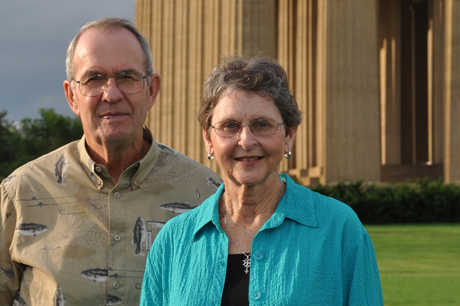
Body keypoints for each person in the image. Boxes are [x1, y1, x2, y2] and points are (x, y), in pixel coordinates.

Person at [0, 17, 221, 306]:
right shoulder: (21, 192)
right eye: (94, 79)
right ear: (72, 96)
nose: (111, 94)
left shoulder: (207, 195)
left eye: (127, 77)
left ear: (152, 90)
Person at [140, 56, 384, 305]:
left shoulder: (339, 229)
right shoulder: (173, 241)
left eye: (262, 125)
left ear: (288, 136)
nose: (246, 141)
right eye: (230, 126)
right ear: (208, 140)